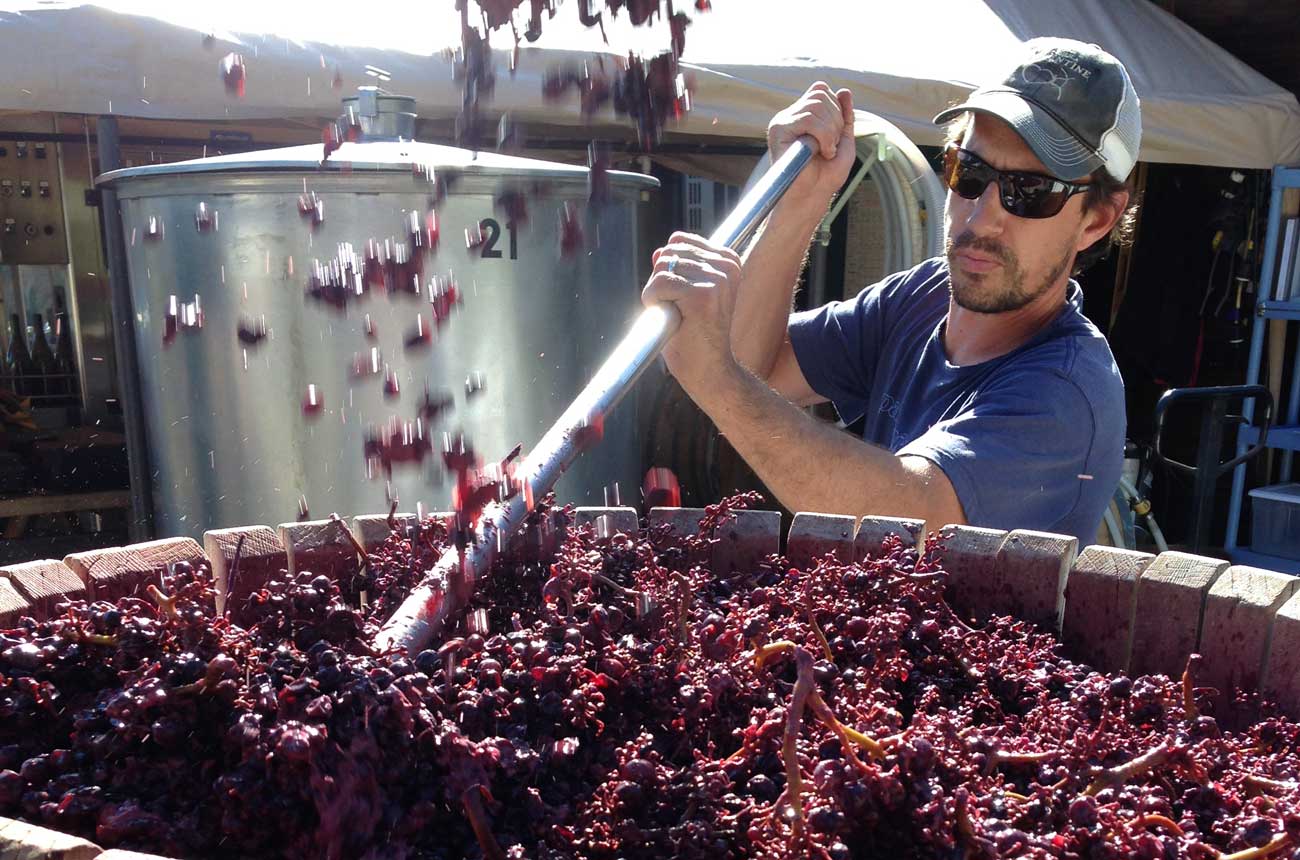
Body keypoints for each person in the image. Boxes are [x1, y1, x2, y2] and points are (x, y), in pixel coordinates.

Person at [642, 38, 1140, 546]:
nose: (982, 216)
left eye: (1030, 191)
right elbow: (756, 367)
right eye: (970, 172)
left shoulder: (1068, 392)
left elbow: (910, 518)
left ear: (1097, 219)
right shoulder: (922, 297)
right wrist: (802, 199)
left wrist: (719, 382)